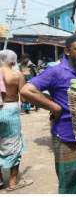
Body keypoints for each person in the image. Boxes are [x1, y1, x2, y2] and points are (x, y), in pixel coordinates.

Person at [20, 34, 76, 194]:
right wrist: (54, 107)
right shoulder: (55, 71)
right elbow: (26, 91)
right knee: (71, 183)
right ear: (67, 51)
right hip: (67, 137)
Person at [0, 50, 33, 191]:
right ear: (13, 62)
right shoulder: (17, 75)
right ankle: (13, 181)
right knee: (14, 142)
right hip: (10, 109)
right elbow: (24, 98)